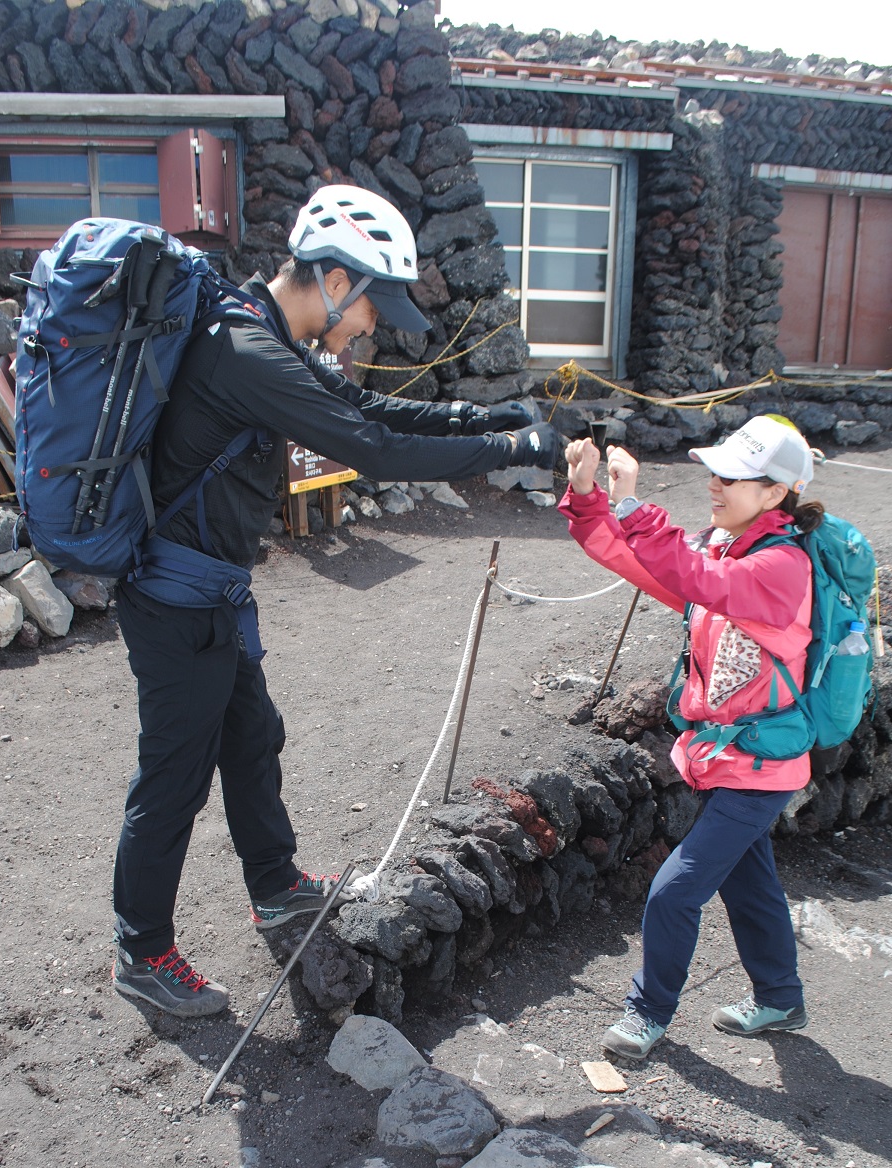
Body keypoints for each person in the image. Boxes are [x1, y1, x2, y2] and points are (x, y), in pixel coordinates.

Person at [111, 184, 560, 1018]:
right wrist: (512, 448)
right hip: (177, 600)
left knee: (252, 739)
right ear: (332, 278)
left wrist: (476, 415)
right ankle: (142, 951)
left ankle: (276, 886)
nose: (370, 328)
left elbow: (359, 405)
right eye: (371, 308)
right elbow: (371, 447)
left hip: (209, 591)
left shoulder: (261, 331)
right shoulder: (246, 351)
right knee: (172, 779)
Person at [559, 414, 823, 1060]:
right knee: (747, 881)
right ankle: (780, 997)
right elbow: (630, 557)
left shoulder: (780, 567)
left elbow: (692, 578)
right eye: (716, 469)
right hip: (730, 758)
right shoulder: (723, 550)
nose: (715, 482)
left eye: (734, 475)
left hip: (760, 766)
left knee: (675, 890)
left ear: (775, 493)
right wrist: (592, 495)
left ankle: (648, 1012)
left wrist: (630, 502)